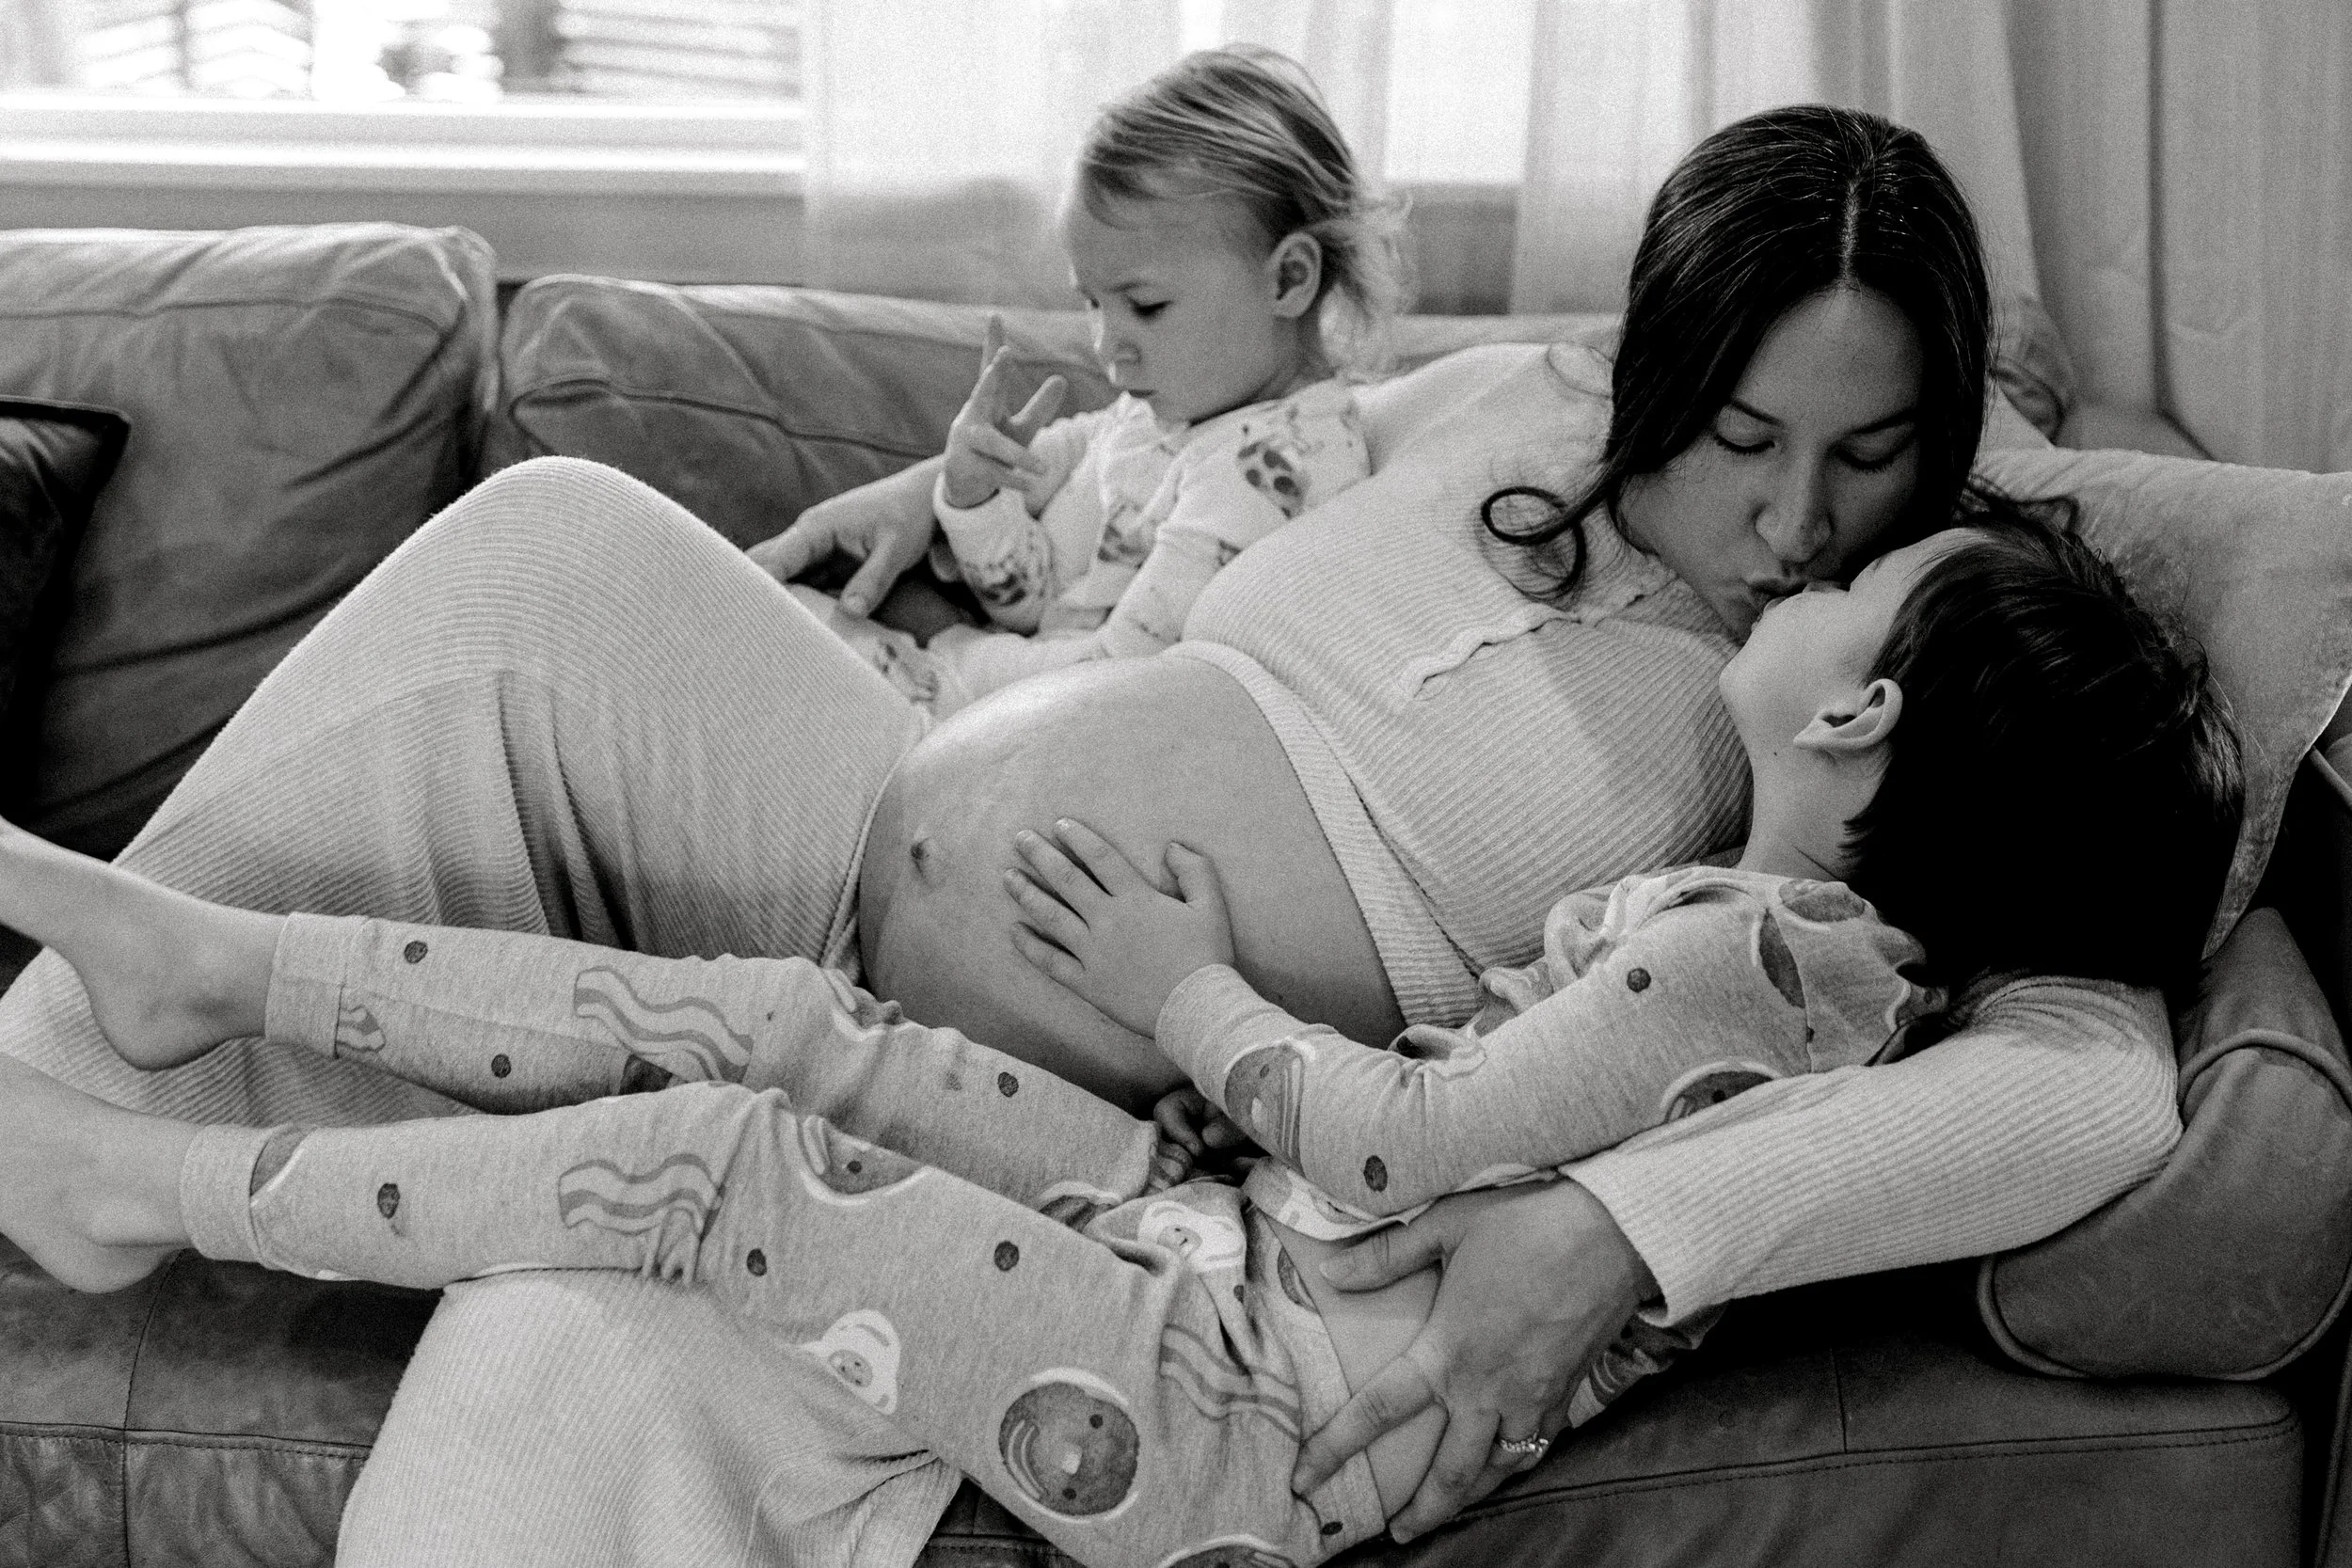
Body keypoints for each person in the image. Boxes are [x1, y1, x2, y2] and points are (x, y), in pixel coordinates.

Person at [0, 105, 2183, 1564]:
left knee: (588, 1320)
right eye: (1736, 436)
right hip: (853, 800)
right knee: (548, 549)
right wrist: (922, 519)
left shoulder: (1938, 666)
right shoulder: (1502, 407)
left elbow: (2097, 1073)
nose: (1795, 515)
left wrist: (1624, 1231)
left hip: (1070, 1104)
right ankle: (63, 1095)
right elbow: (1193, 442)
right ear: (1652, 368)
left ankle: (104, 1135)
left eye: (1868, 457)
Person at [788, 47, 1398, 719]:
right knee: (781, 607)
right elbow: (1040, 598)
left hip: (1036, 724)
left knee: (770, 628)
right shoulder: (1160, 416)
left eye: (1146, 306)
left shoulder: (1273, 469)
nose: (1109, 350)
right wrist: (974, 497)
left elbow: (1114, 684)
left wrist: (945, 638)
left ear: (1288, 279)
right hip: (1001, 693)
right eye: (1092, 304)